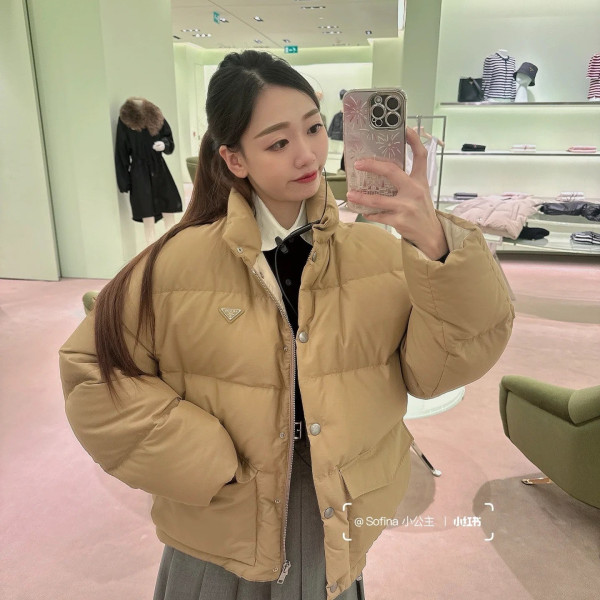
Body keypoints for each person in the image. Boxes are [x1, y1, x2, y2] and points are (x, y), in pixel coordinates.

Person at [58, 50, 515, 600]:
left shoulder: (379, 254)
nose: (307, 154)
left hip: (334, 515)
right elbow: (92, 373)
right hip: (221, 526)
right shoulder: (175, 264)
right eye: (277, 143)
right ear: (234, 159)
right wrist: (204, 459)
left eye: (314, 129)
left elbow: (438, 371)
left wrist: (437, 246)